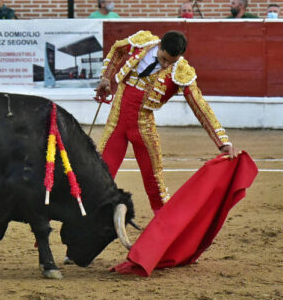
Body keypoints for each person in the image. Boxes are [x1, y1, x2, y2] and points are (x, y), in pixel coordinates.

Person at [94, 30, 237, 213]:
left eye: (172, 61)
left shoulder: (181, 71)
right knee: (100, 176)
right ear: (159, 46)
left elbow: (200, 106)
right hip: (116, 123)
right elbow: (117, 49)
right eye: (163, 59)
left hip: (143, 129)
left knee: (156, 187)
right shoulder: (143, 43)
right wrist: (106, 76)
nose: (166, 65)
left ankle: (166, 231)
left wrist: (222, 142)